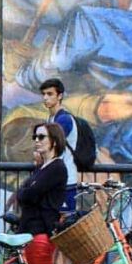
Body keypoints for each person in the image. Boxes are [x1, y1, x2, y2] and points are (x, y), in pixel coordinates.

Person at [15, 122, 68, 264]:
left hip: (41, 234)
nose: (36, 140)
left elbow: (28, 194)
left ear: (54, 141)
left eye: (41, 137)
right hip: (33, 231)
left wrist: (26, 192)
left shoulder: (56, 168)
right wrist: (26, 192)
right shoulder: (43, 167)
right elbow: (25, 192)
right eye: (35, 136)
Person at [39, 78, 78, 212]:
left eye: (50, 94)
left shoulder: (64, 119)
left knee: (64, 222)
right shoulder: (51, 119)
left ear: (60, 96)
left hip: (66, 180)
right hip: (55, 179)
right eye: (43, 94)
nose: (45, 98)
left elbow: (51, 145)